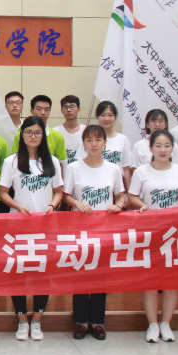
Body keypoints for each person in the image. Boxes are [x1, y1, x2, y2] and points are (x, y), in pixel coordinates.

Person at [0, 115, 63, 341]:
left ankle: (37, 319)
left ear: (43, 135)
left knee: (42, 273)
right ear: (22, 135)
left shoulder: (52, 161)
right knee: (18, 272)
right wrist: (17, 206)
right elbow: (3, 192)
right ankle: (21, 319)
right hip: (18, 225)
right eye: (28, 132)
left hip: (45, 225)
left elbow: (59, 191)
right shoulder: (11, 161)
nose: (33, 136)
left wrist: (52, 205)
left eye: (37, 133)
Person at [128, 129, 178, 343]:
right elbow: (132, 196)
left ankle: (166, 323)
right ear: (151, 148)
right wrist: (142, 205)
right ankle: (152, 324)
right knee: (150, 279)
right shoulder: (141, 171)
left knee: (171, 280)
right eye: (158, 146)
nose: (163, 150)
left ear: (173, 148)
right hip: (150, 232)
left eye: (167, 146)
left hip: (174, 233)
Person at [62, 125, 125, 341]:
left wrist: (118, 205)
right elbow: (66, 195)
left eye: (98, 140)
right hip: (79, 230)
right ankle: (81, 321)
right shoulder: (74, 168)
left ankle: (98, 321)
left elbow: (121, 196)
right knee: (80, 274)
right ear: (84, 143)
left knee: (100, 275)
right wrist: (76, 203)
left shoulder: (113, 169)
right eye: (89, 140)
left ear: (105, 143)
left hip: (104, 230)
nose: (94, 144)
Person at [76, 101, 131, 191]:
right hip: (93, 186)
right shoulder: (88, 139)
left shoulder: (122, 139)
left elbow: (125, 169)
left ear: (115, 117)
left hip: (116, 186)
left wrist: (128, 192)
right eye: (103, 115)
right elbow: (80, 163)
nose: (106, 119)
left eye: (110, 115)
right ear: (97, 117)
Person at [12, 96, 67, 170]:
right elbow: (15, 160)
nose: (43, 113)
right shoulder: (20, 135)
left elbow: (61, 163)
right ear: (32, 111)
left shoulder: (57, 136)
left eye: (47, 109)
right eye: (39, 109)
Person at [55, 95, 85, 165]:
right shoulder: (55, 132)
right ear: (61, 110)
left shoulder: (86, 131)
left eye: (72, 106)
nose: (68, 110)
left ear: (79, 109)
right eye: (65, 107)